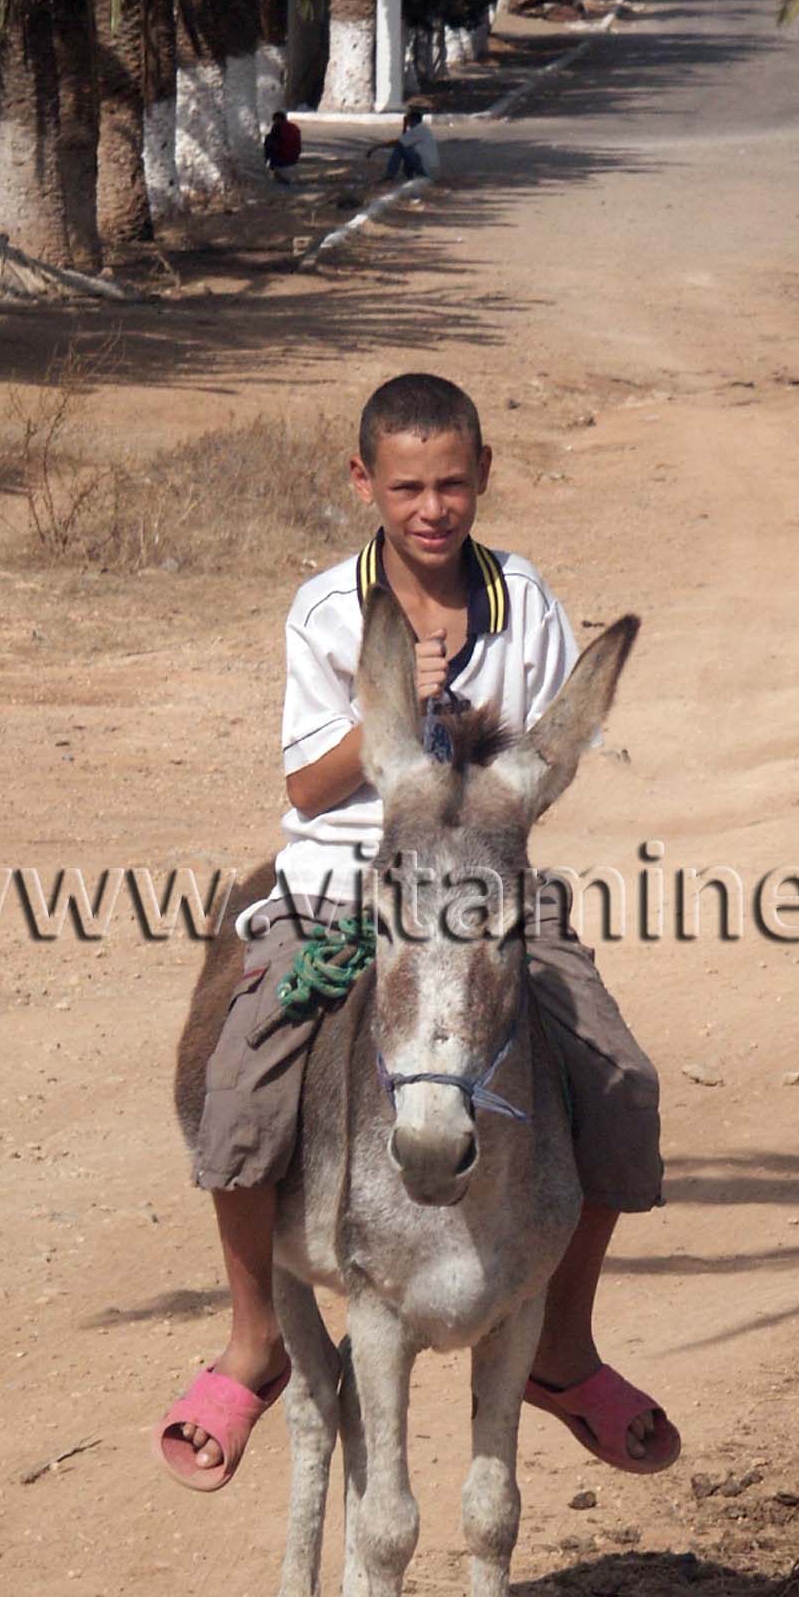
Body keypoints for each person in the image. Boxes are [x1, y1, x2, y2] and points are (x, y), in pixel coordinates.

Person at [157, 372, 678, 1491]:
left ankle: (564, 1342)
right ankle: (253, 1343)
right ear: (365, 482)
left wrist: (485, 824)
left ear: (483, 475)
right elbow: (305, 787)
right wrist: (390, 713)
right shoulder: (327, 609)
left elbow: (538, 767)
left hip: (482, 879)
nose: (431, 508)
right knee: (240, 1084)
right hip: (340, 877)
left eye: (451, 484)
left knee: (621, 1082)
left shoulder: (524, 598)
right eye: (407, 487)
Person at [367, 105, 441, 183]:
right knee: (406, 148)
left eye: (408, 120)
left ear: (413, 119)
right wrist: (404, 127)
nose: (408, 122)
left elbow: (398, 143)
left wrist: (376, 147)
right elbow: (404, 140)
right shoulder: (422, 128)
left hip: (427, 170)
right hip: (431, 169)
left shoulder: (418, 130)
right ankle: (408, 175)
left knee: (400, 148)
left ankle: (390, 175)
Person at [263, 109, 302, 186]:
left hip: (282, 159)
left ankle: (273, 169)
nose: (273, 122)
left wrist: (267, 159)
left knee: (268, 139)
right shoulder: (294, 127)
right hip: (294, 158)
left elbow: (272, 145)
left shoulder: (277, 127)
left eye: (274, 120)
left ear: (277, 119)